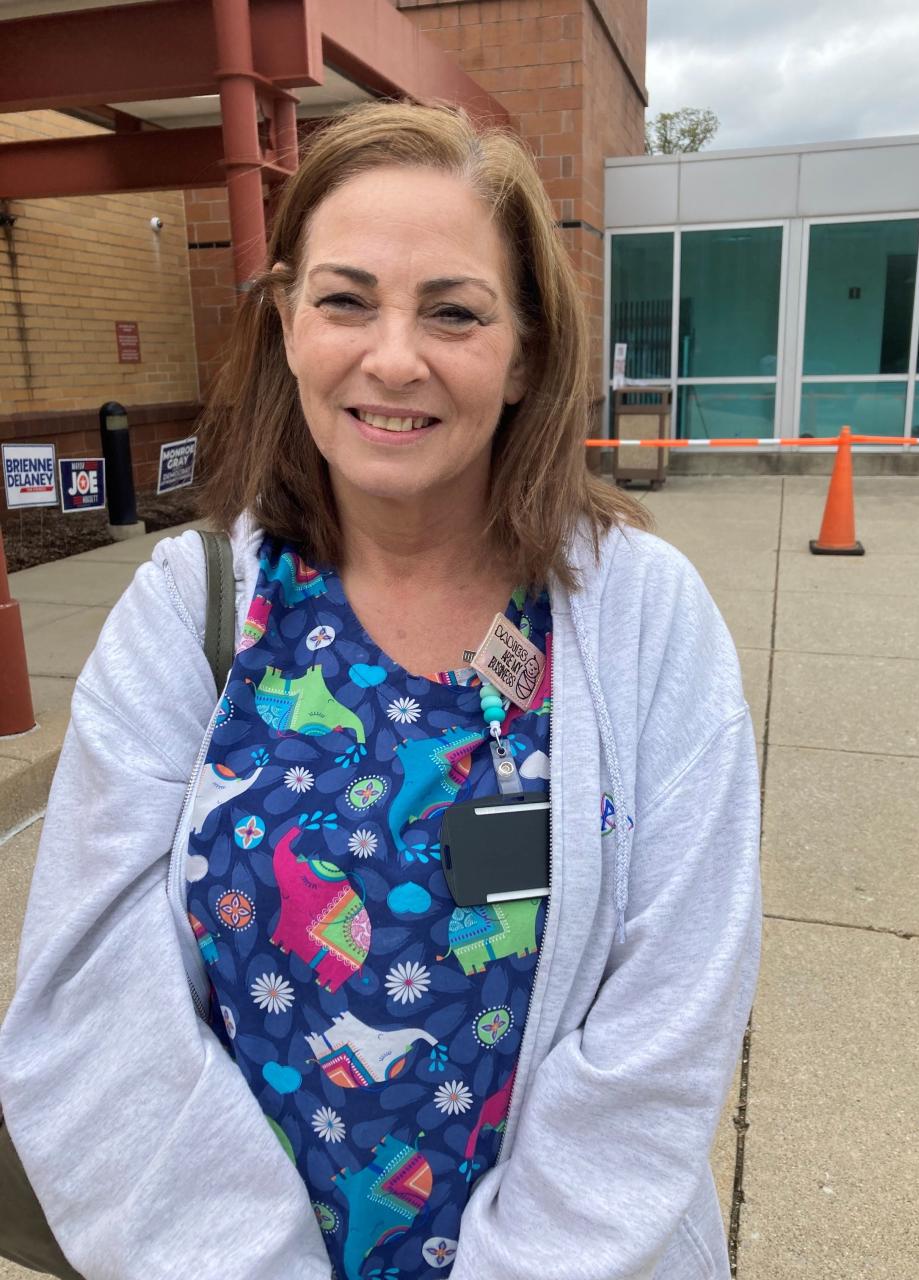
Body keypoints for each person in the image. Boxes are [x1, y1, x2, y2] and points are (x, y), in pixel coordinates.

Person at [0, 102, 761, 1280]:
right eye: (346, 299)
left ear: (526, 359)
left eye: (453, 312)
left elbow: (670, 1018)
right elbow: (93, 1002)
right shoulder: (190, 610)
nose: (393, 357)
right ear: (290, 324)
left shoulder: (643, 619)